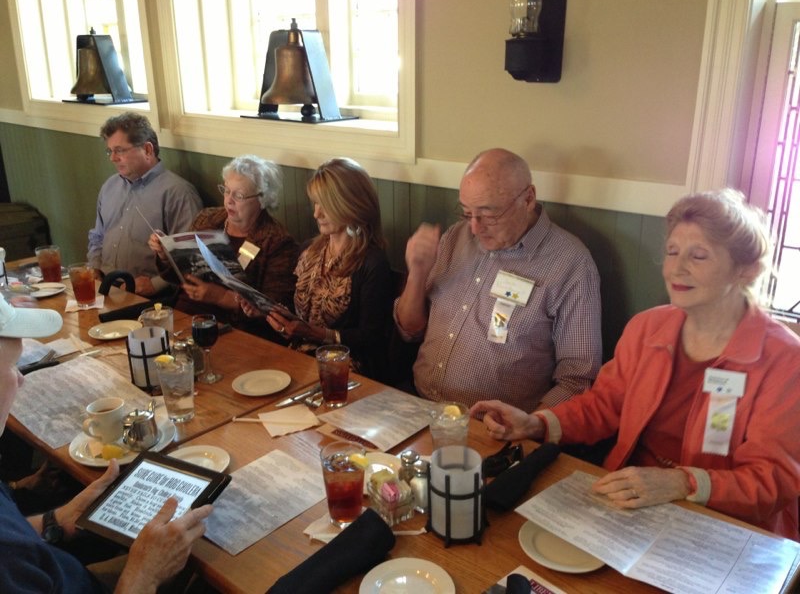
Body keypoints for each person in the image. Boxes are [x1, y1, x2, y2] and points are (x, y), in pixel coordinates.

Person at [472, 189, 800, 540]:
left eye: (699, 255)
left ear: (745, 270)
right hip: (628, 500)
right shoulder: (648, 328)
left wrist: (681, 483)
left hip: (725, 527)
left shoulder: (785, 360)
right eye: (672, 252)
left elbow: (772, 479)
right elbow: (603, 406)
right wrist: (535, 423)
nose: (677, 267)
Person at [0, 296, 214, 592]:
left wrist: (58, 520)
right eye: (13, 366)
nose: (21, 380)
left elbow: (14, 535)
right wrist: (144, 574)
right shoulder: (6, 563)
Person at [394, 148, 602, 412]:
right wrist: (417, 273)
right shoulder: (455, 238)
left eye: (489, 214)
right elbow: (408, 330)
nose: (475, 228)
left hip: (490, 429)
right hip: (418, 402)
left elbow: (578, 381)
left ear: (528, 199)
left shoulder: (570, 264)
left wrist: (528, 428)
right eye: (467, 213)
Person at [242, 157, 393, 379]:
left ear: (351, 204)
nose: (316, 214)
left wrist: (315, 334)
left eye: (326, 205)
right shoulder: (309, 251)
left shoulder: (372, 262)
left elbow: (371, 339)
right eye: (315, 203)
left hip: (347, 370)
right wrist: (266, 312)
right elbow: (300, 317)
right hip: (299, 357)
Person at [149, 154, 298, 335]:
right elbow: (178, 276)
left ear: (262, 199)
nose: (229, 200)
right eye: (226, 190)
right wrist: (166, 255)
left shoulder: (278, 242)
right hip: (184, 315)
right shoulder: (206, 219)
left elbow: (273, 309)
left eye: (239, 195)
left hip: (234, 330)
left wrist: (219, 297)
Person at [88, 112, 202, 297]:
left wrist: (155, 285)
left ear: (148, 150)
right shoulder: (110, 186)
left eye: (120, 150)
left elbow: (191, 258)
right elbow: (97, 237)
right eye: (110, 151)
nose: (113, 158)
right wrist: (94, 268)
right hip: (104, 286)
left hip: (149, 296)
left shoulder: (178, 193)